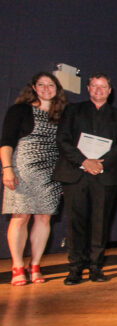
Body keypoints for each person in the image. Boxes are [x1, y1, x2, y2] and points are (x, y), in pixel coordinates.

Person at [53, 73, 117, 285]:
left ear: (109, 91)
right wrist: (84, 161)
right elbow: (63, 139)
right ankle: (75, 268)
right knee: (75, 223)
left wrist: (100, 164)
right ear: (88, 88)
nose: (98, 90)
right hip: (76, 174)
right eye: (94, 86)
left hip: (105, 177)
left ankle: (96, 268)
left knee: (100, 224)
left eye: (103, 86)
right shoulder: (72, 111)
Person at [1, 72, 67, 285]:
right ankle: (17, 266)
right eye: (41, 84)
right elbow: (6, 142)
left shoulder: (62, 114)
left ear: (57, 89)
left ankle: (35, 265)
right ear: (34, 87)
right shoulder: (20, 110)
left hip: (51, 172)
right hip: (23, 169)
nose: (46, 88)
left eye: (51, 85)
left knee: (44, 218)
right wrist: (7, 169)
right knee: (20, 216)